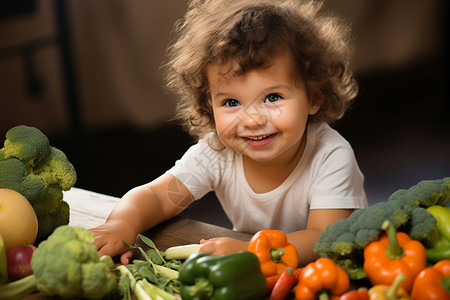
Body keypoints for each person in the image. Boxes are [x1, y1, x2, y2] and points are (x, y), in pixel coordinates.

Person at [90, 0, 368, 266]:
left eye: (272, 97)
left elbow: (324, 238)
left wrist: (251, 251)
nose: (252, 119)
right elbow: (159, 197)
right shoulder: (217, 154)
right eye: (231, 103)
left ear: (314, 97)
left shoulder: (330, 156)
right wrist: (122, 224)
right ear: (209, 105)